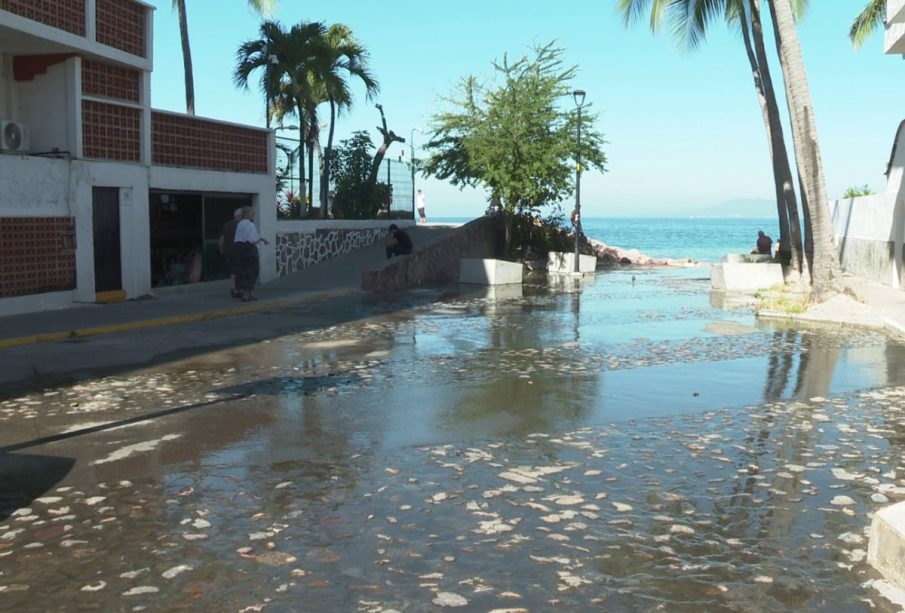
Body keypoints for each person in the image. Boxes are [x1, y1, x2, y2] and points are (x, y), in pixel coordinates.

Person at [233, 207, 269, 301]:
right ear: (247, 214)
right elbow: (253, 238)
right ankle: (247, 293)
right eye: (251, 213)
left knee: (242, 270)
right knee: (252, 270)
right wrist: (261, 240)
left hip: (239, 248)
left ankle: (249, 292)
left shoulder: (240, 224)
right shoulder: (250, 224)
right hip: (249, 248)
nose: (253, 215)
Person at [219, 208, 243, 298]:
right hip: (238, 251)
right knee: (239, 270)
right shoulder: (241, 225)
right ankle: (238, 289)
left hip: (228, 251)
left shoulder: (227, 224)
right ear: (239, 216)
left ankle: (234, 288)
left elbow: (222, 238)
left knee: (232, 271)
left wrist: (221, 249)